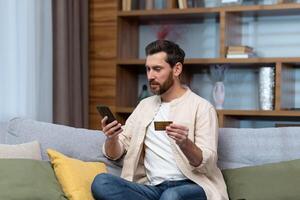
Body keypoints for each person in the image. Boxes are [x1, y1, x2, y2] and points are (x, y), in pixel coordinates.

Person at [91, 40, 229, 200]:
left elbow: (208, 163)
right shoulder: (144, 106)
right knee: (102, 183)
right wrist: (112, 138)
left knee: (171, 196)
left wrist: (185, 144)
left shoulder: (202, 108)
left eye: (157, 69)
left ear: (177, 69)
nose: (150, 76)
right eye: (148, 69)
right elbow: (116, 153)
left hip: (193, 186)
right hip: (152, 189)